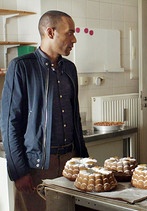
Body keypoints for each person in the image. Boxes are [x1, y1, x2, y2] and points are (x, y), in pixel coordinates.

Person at [0, 10, 89, 210]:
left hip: (70, 163)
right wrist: (19, 171)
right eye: (70, 33)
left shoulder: (70, 69)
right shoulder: (21, 67)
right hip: (36, 166)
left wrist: (83, 159)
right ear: (50, 32)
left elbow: (75, 118)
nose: (74, 39)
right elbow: (9, 123)